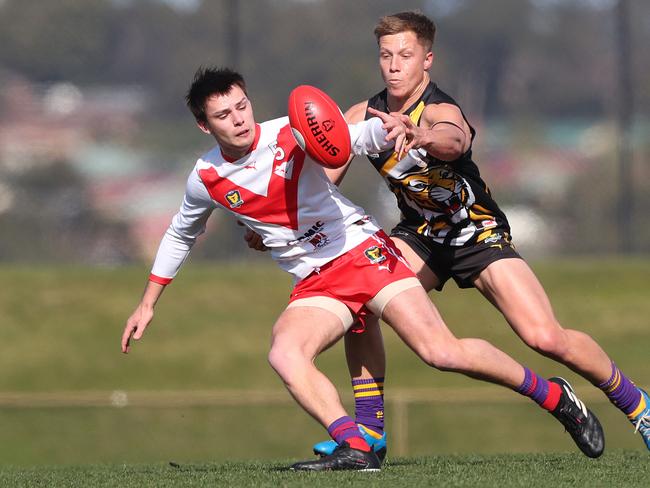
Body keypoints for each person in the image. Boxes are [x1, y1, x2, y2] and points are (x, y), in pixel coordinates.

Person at [121, 67, 604, 473]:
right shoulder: (204, 177)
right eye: (224, 115)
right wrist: (147, 303)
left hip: (365, 255)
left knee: (442, 352)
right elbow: (180, 234)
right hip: (316, 283)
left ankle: (553, 395)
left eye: (242, 105)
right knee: (285, 353)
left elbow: (350, 138)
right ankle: (357, 447)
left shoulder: (288, 133)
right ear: (205, 126)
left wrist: (390, 130)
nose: (239, 119)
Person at [293, 11, 648, 458]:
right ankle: (370, 434)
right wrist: (283, 217)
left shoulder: (441, 110)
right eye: (386, 55)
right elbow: (324, 181)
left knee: (545, 337)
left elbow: (453, 140)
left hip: (477, 234)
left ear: (427, 60)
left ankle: (638, 406)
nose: (395, 65)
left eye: (406, 55)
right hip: (419, 236)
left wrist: (420, 135)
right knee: (362, 299)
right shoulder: (363, 115)